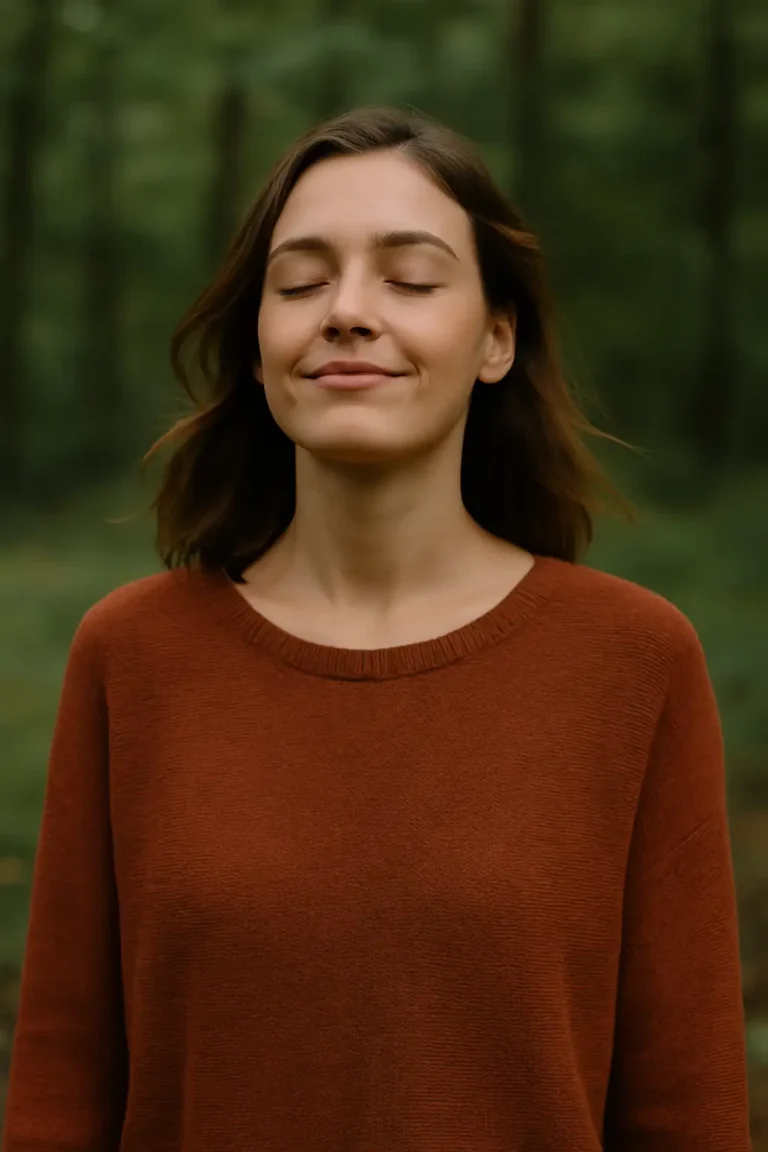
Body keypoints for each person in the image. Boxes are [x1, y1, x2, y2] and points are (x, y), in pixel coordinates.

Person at [3, 106, 751, 1151]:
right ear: (257, 352)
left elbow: (688, 1109)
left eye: (410, 277)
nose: (347, 311)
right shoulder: (133, 658)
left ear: (497, 338)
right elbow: (58, 1091)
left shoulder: (632, 661)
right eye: (302, 281)